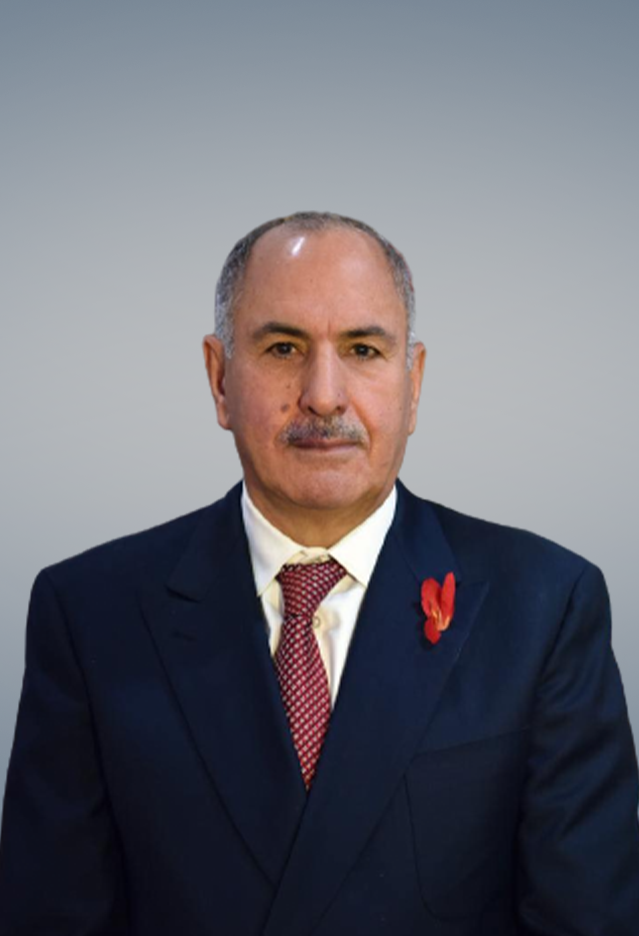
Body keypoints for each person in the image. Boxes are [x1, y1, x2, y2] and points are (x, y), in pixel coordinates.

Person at [0, 211, 638, 936]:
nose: (324, 395)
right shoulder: (91, 615)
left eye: (363, 349)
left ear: (413, 382)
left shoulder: (543, 607)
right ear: (219, 378)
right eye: (283, 348)